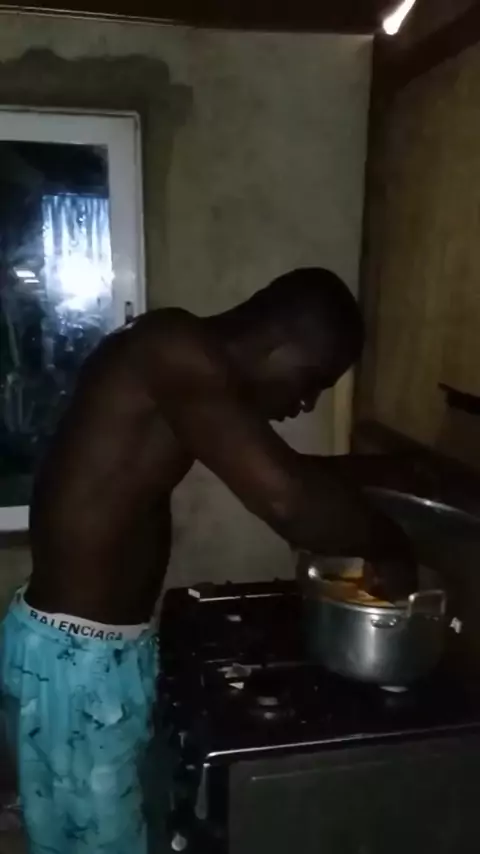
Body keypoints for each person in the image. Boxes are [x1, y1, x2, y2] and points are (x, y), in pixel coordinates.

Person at [0, 267, 416, 853]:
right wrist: (391, 545)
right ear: (282, 344)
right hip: (77, 663)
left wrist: (391, 474)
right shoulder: (169, 347)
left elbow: (289, 474)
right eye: (312, 382)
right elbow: (286, 498)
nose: (305, 404)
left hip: (96, 653)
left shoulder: (183, 363)